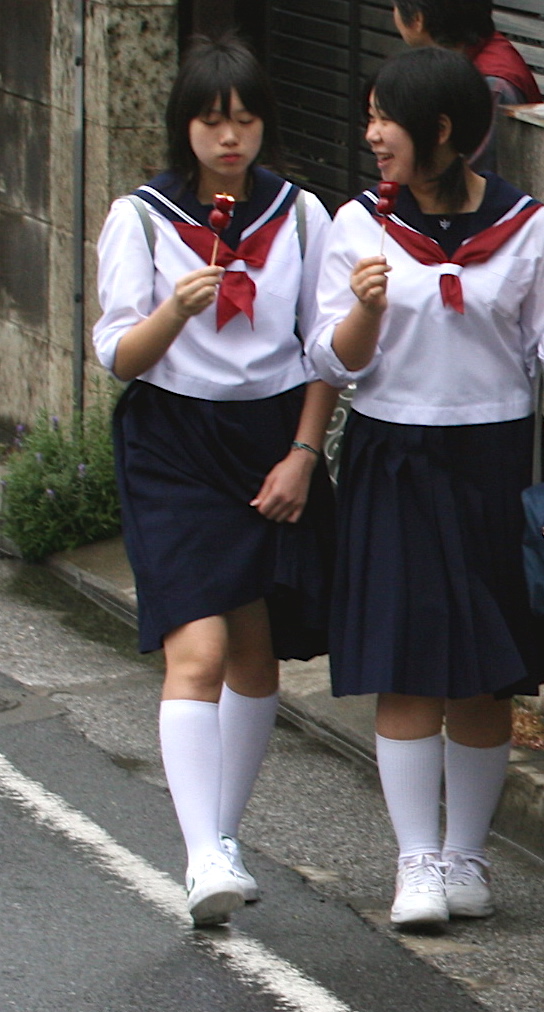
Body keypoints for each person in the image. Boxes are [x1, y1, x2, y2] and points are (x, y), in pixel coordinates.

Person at [309, 46, 544, 931]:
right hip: (392, 457)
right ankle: (416, 863)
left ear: (439, 131)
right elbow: (329, 358)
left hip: (491, 462)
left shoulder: (526, 226)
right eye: (367, 119)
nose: (370, 137)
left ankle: (468, 856)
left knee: (482, 675)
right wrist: (363, 308)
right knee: (406, 669)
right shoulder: (356, 225)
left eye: (383, 120)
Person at [93, 33, 338, 926]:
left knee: (254, 653)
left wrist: (304, 454)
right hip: (173, 440)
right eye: (210, 119)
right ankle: (201, 855)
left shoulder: (302, 216)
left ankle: (220, 838)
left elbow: (324, 350)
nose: (229, 136)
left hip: (269, 436)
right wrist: (175, 309)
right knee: (193, 650)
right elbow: (120, 354)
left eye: (244, 119)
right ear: (184, 127)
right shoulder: (145, 218)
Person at [391, 0, 542, 173]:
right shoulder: (453, 62)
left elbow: (478, 175)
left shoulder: (493, 85)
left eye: (395, 7)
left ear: (417, 20)